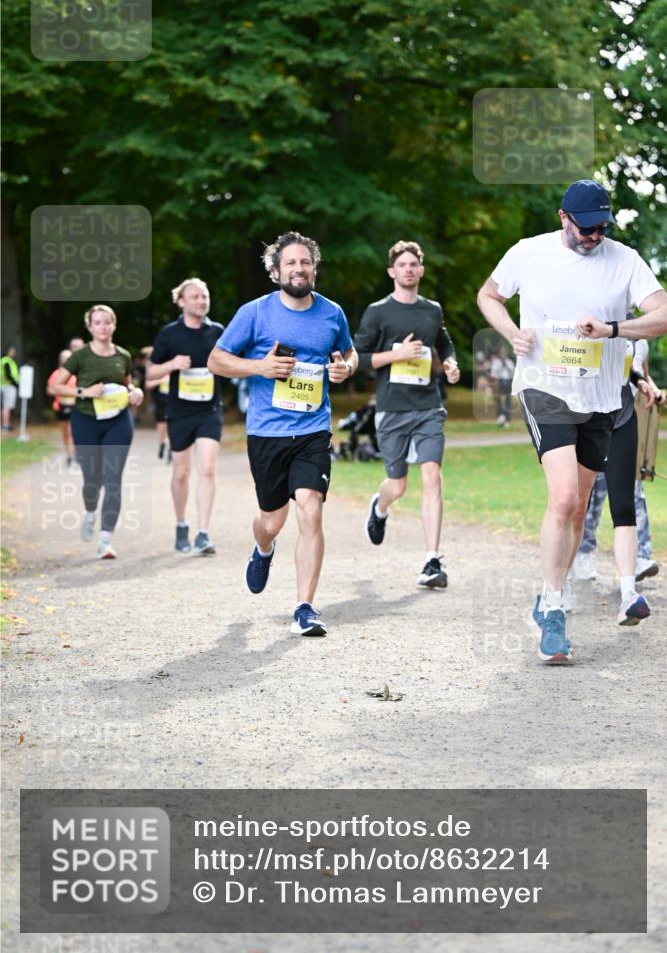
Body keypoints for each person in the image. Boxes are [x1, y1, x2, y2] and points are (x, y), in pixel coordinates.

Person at [477, 179, 667, 663]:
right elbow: (489, 296)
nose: (595, 237)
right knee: (562, 498)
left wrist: (613, 330)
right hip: (545, 388)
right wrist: (511, 332)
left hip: (601, 399)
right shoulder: (528, 252)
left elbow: (663, 313)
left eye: (603, 228)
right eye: (586, 229)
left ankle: (546, 598)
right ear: (564, 218)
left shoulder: (624, 259)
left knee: (580, 508)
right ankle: (555, 609)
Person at [208, 230, 357, 637]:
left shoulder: (332, 313)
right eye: (290, 263)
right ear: (276, 272)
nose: (299, 269)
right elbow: (216, 360)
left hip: (312, 429)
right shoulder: (254, 313)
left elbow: (348, 352)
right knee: (272, 521)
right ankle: (263, 548)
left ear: (314, 268)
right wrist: (260, 368)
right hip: (267, 433)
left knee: (310, 508)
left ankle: (305, 607)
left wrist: (346, 368)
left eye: (305, 262)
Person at [354, 240, 460, 589]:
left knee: (432, 475)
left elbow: (443, 340)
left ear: (421, 270)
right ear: (392, 272)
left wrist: (450, 361)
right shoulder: (377, 312)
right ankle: (379, 506)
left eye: (414, 264)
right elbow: (357, 358)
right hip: (392, 407)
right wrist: (396, 356)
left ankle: (432, 560)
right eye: (402, 265)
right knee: (397, 485)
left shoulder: (432, 310)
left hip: (428, 406)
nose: (409, 269)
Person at [50, 305, 144, 560]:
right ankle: (90, 512)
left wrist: (136, 392)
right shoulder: (80, 356)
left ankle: (105, 540)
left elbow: (128, 384)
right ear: (90, 327)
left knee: (113, 480)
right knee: (93, 480)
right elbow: (55, 387)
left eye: (107, 322)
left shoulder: (123, 355)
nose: (102, 326)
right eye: (97, 322)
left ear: (113, 325)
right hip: (86, 420)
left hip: (118, 421)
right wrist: (84, 392)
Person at [573, 340, 664, 589]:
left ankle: (640, 557)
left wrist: (652, 389)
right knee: (592, 492)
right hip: (595, 420)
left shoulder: (641, 336)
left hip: (624, 417)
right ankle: (582, 552)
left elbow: (640, 372)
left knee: (632, 491)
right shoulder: (600, 325)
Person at [147, 279, 224, 555]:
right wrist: (172, 365)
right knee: (181, 473)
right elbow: (150, 374)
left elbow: (231, 361)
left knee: (207, 468)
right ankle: (181, 525)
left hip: (209, 410)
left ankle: (203, 533)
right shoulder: (169, 334)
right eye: (195, 297)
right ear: (181, 302)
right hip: (179, 411)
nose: (202, 301)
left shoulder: (218, 332)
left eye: (204, 296)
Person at [46, 349, 76, 464]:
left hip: (75, 407)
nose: (66, 359)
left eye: (68, 357)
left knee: (72, 431)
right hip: (61, 407)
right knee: (65, 432)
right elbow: (49, 390)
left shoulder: (76, 374)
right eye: (63, 357)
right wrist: (61, 391)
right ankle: (70, 454)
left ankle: (74, 454)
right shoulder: (56, 374)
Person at [489, 345, 515, 426]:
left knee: (508, 401)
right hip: (499, 382)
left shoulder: (509, 362)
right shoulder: (496, 362)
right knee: (498, 401)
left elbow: (513, 374)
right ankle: (500, 417)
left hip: (508, 382)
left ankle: (507, 419)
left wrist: (506, 366)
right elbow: (493, 374)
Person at [1, 346, 20, 432]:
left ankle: (4, 425)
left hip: (3, 385)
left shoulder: (3, 360)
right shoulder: (7, 361)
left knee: (3, 407)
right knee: (7, 407)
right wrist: (15, 383)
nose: (14, 353)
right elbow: (8, 374)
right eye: (12, 351)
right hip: (8, 386)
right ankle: (6, 425)